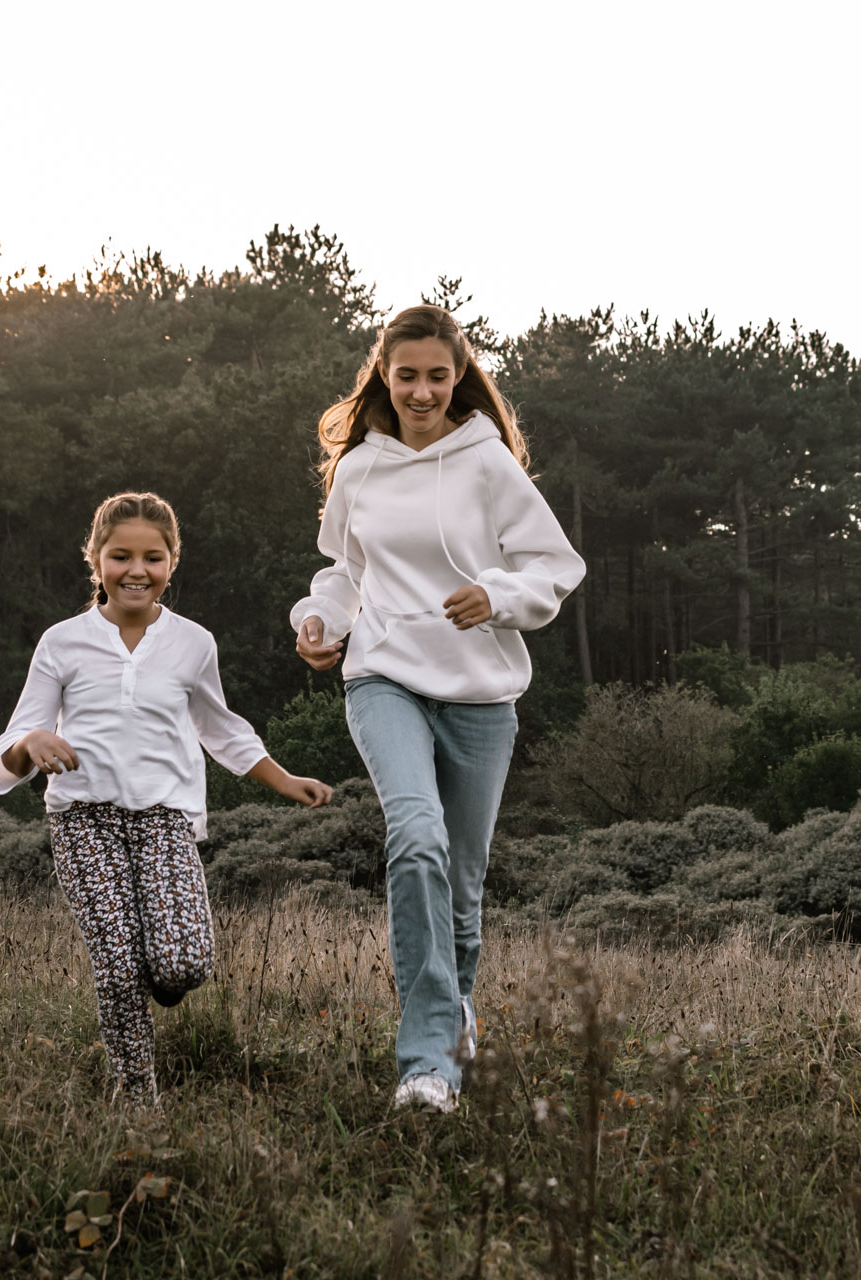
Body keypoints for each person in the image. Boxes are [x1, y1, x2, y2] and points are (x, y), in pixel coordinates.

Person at [292, 305, 586, 1112]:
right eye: (406, 375)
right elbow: (343, 575)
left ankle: (451, 1017)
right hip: (383, 676)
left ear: (458, 378)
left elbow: (554, 568)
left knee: (460, 883)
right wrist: (319, 624)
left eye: (437, 376)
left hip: (481, 694)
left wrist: (496, 595)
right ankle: (428, 1064)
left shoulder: (488, 464)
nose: (421, 392)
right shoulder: (360, 469)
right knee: (415, 839)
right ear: (383, 377)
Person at [0, 491, 333, 1104]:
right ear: (95, 559)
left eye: (153, 557)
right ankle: (138, 1096)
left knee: (180, 965)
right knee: (117, 968)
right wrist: (32, 743)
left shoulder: (193, 644)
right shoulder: (62, 642)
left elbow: (221, 729)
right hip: (82, 820)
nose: (136, 571)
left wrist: (285, 780)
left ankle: (153, 976)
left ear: (172, 562)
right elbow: (12, 747)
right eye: (120, 556)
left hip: (166, 822)